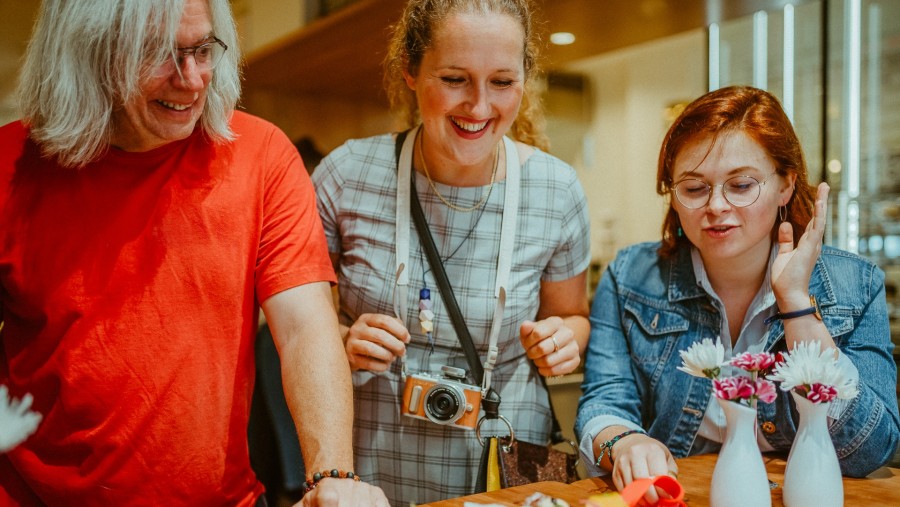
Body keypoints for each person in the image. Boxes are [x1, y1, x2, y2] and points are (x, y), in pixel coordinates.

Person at [0, 1, 388, 505]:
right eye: (159, 55)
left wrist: (332, 474)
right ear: (88, 55)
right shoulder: (12, 166)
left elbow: (303, 329)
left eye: (202, 49)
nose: (192, 79)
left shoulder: (261, 154)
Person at [312, 0, 591, 504]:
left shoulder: (556, 189)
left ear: (525, 79)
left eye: (502, 82)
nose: (480, 106)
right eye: (455, 79)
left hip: (503, 473)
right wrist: (343, 339)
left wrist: (564, 340)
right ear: (411, 71)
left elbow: (572, 317)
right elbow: (294, 330)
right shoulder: (346, 176)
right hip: (371, 474)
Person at [575, 85, 900, 498]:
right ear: (673, 197)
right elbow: (605, 400)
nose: (716, 206)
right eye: (694, 189)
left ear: (785, 185)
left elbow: (871, 450)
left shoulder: (855, 285)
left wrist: (797, 304)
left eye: (741, 185)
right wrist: (623, 442)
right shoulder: (631, 276)